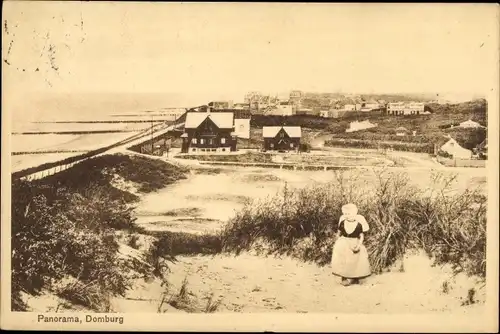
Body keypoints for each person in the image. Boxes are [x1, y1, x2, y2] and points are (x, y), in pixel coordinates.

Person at [331, 203, 371, 286]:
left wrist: (359, 244)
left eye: (349, 214)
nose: (347, 216)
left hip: (354, 242)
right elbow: (339, 233)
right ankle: (346, 276)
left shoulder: (358, 224)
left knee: (357, 259)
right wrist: (336, 241)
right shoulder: (343, 222)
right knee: (345, 259)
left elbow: (361, 236)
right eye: (345, 214)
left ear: (354, 213)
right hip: (344, 241)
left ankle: (356, 276)